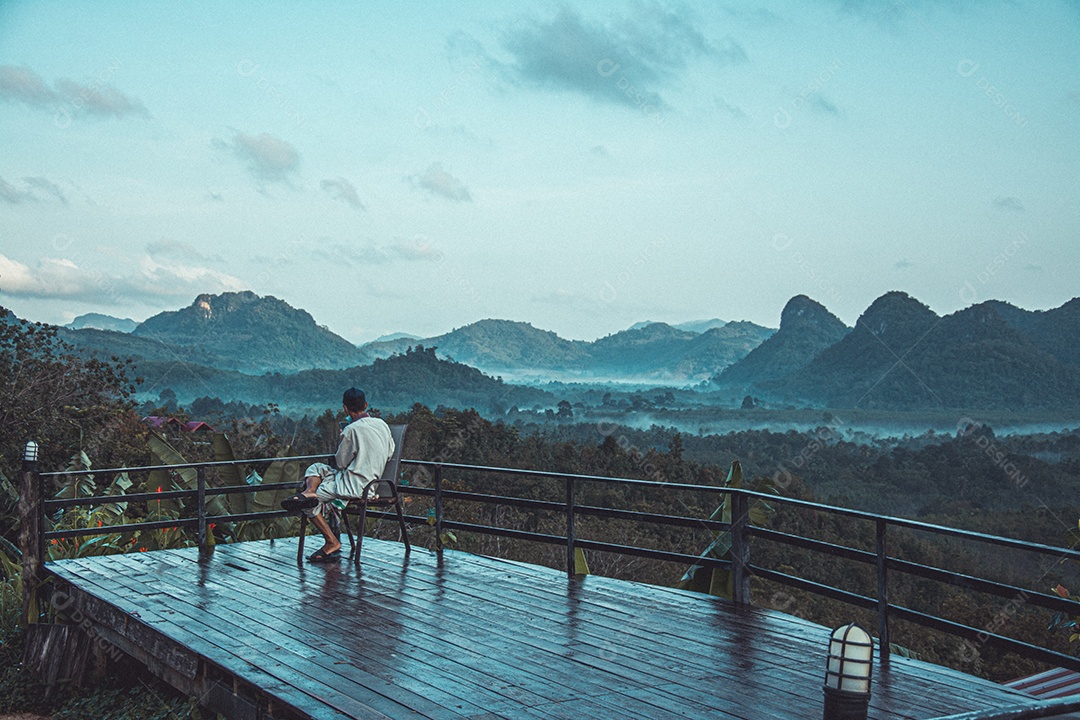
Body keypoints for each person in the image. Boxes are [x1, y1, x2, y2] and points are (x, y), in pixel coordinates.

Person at [281, 387, 395, 562]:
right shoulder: (382, 425)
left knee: (306, 505)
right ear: (366, 405)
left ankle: (331, 541)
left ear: (345, 408)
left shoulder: (351, 430)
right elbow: (389, 453)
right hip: (372, 484)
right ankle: (309, 491)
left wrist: (344, 439)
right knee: (316, 468)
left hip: (352, 486)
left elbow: (341, 462)